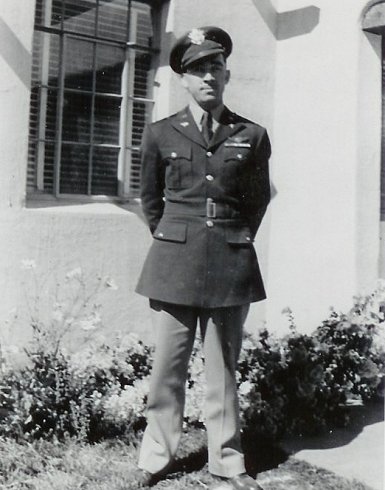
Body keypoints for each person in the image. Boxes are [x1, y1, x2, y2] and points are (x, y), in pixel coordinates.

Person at [133, 26, 271, 490]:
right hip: (174, 261)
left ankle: (228, 461)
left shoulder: (251, 135)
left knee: (223, 369)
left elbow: (256, 201)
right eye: (197, 69)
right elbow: (150, 200)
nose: (207, 76)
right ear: (184, 80)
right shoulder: (159, 133)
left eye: (214, 66)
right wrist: (176, 237)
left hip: (230, 261)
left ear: (226, 74)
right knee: (167, 368)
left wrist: (232, 238)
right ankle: (156, 457)